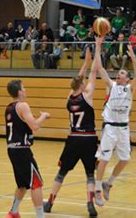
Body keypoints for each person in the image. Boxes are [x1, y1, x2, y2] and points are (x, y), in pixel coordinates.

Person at [43, 48, 98, 216]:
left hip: (73, 138)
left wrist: (85, 63)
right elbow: (94, 72)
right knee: (90, 174)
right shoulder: (87, 97)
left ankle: (50, 202)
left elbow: (78, 80)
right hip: (88, 139)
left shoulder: (69, 99)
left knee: (62, 172)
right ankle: (90, 202)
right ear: (82, 85)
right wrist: (94, 57)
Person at [94, 37, 136, 206]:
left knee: (125, 159)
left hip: (124, 129)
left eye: (122, 73)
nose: (118, 74)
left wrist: (133, 56)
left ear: (127, 78)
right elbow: (99, 67)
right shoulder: (112, 86)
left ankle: (109, 183)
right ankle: (97, 190)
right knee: (104, 159)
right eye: (118, 73)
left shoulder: (130, 89)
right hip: (110, 129)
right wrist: (98, 47)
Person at [5, 79, 50, 218]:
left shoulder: (9, 107)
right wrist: (43, 116)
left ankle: (13, 211)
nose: (25, 90)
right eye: (23, 88)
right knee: (36, 183)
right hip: (22, 150)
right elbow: (35, 126)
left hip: (12, 149)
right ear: (19, 92)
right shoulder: (22, 106)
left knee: (22, 184)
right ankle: (40, 216)